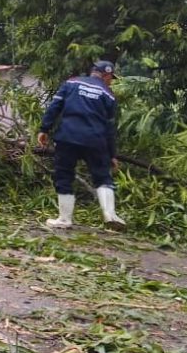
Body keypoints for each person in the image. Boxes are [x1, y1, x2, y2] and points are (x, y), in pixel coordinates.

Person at [37, 59, 125, 230]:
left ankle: (64, 220)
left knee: (64, 175)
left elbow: (54, 107)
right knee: (102, 177)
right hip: (96, 141)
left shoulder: (71, 83)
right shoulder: (108, 95)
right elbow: (109, 128)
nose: (111, 82)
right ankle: (110, 215)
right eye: (111, 78)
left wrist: (44, 129)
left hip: (67, 137)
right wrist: (112, 154)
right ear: (106, 75)